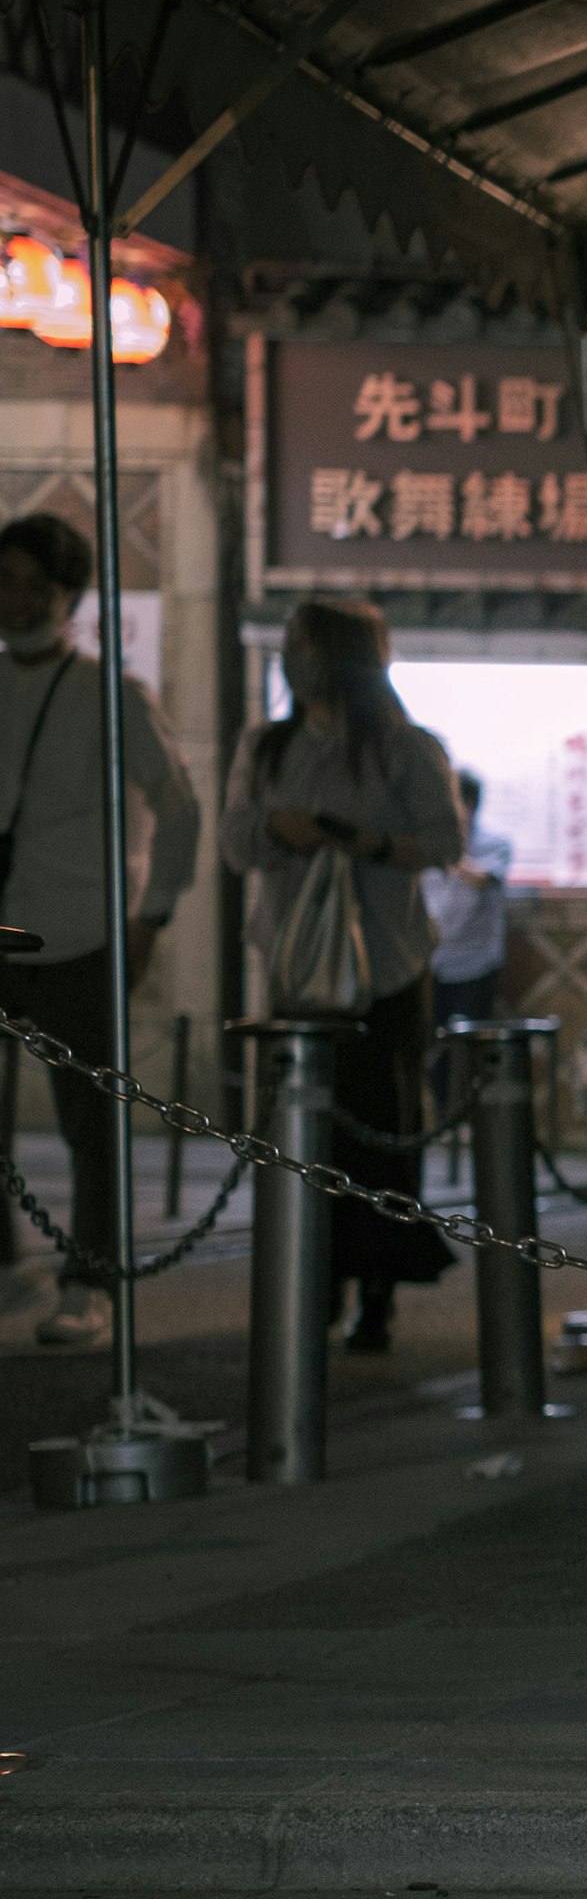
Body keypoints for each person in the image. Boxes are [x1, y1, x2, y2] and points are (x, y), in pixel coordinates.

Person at [220, 597, 467, 1354]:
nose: (294, 657)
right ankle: (314, 1283)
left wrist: (359, 841)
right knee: (303, 1135)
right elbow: (236, 846)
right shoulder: (267, 746)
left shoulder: (405, 746)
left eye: (303, 643)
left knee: (380, 1134)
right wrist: (274, 829)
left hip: (386, 971)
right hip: (297, 974)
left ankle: (378, 1295)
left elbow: (443, 841)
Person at [0, 509, 199, 1348]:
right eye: (3, 580)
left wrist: (151, 916)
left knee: (91, 1121)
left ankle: (90, 1282)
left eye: (26, 583)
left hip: (84, 929)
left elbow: (181, 806)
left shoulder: (113, 694)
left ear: (65, 593)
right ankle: (14, 1261)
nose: (10, 598)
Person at [419, 767, 510, 1116]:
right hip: (433, 962)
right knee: (436, 1048)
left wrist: (445, 854)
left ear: (470, 805)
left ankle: (474, 1117)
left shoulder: (494, 844)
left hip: (476, 964)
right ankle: (445, 1117)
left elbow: (482, 878)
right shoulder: (431, 843)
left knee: (472, 1045)